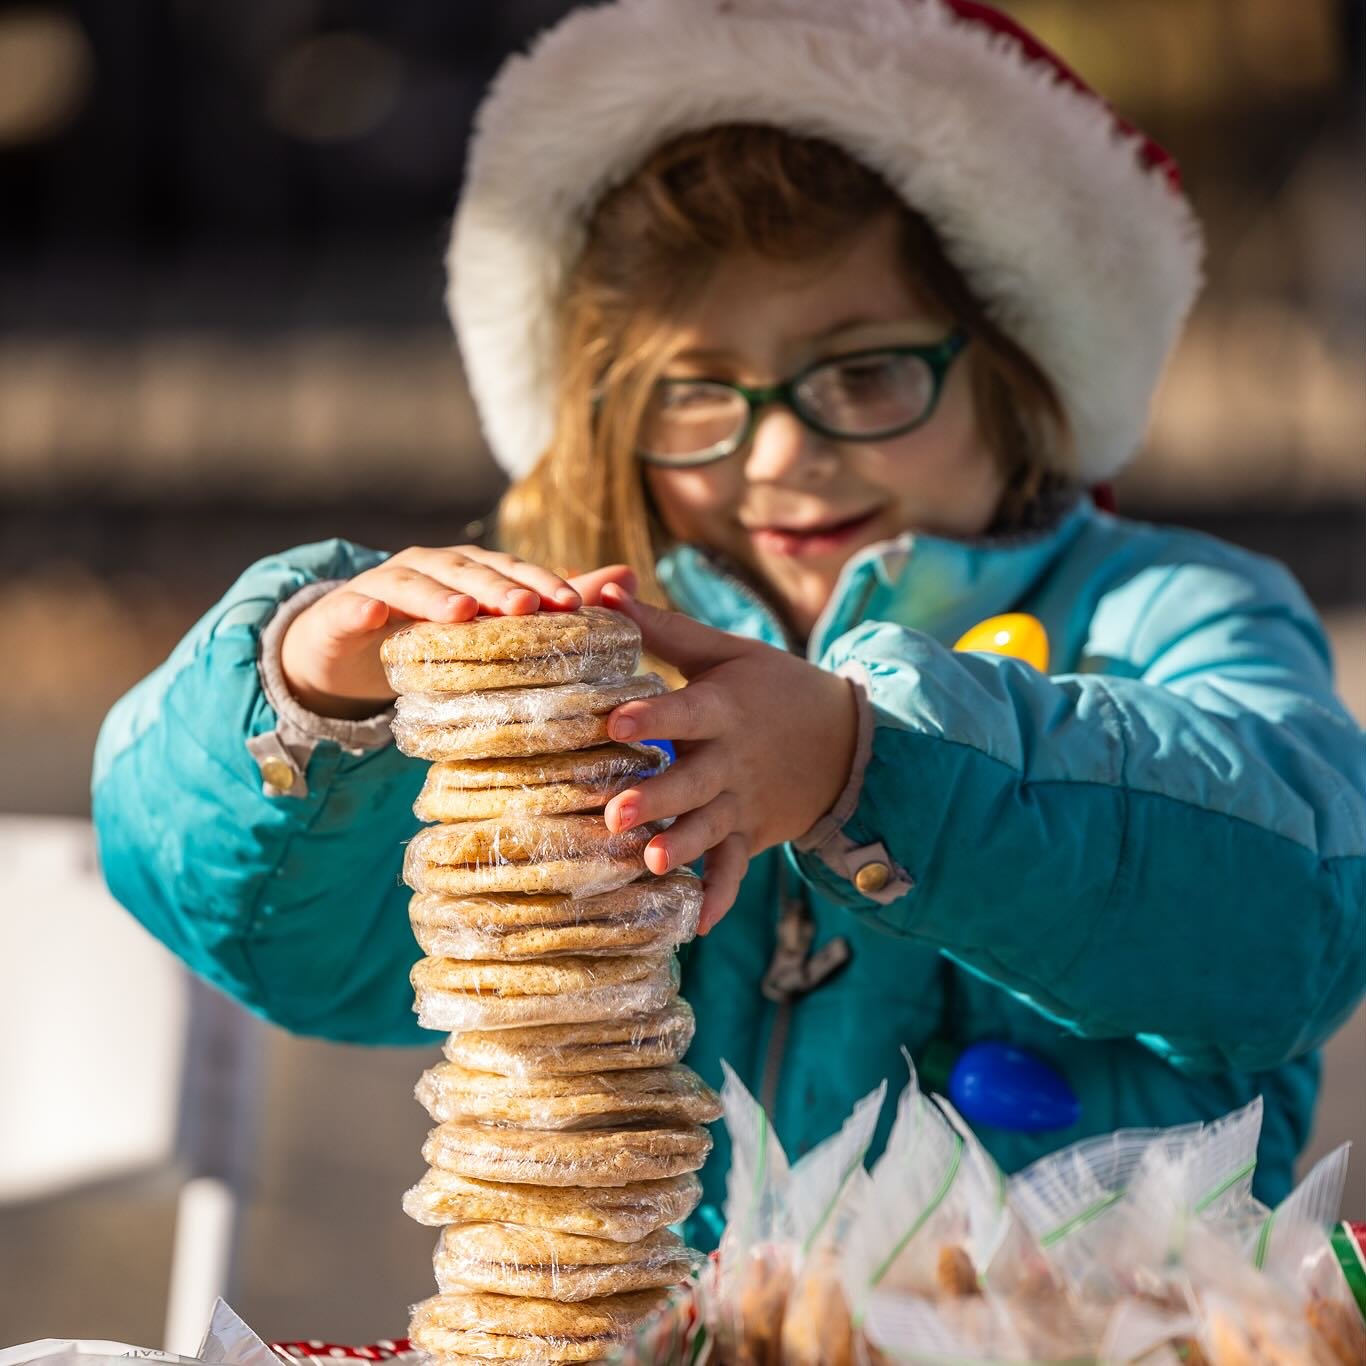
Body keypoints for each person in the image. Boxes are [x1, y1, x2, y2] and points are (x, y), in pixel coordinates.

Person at [94, 0, 1365, 1243]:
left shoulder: (1163, 608)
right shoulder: (584, 670)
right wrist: (306, 700)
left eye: (864, 371)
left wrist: (870, 763)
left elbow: (1301, 917)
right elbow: (288, 940)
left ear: (1017, 371)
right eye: (696, 393)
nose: (780, 454)